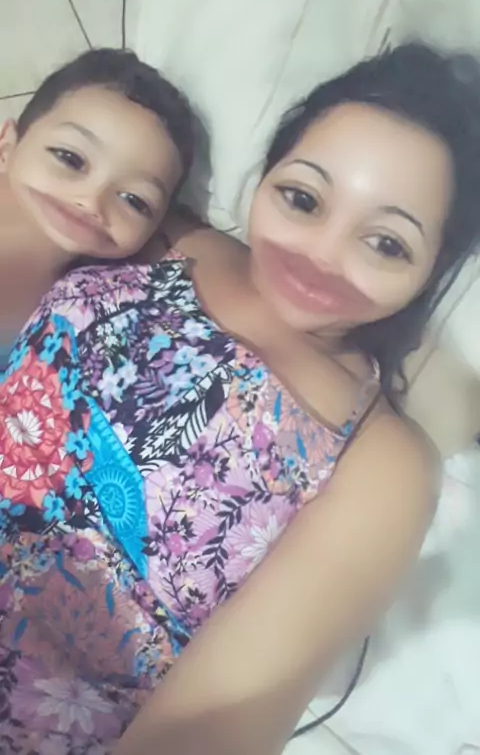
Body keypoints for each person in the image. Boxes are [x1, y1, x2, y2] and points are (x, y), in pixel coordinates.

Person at [1, 43, 479, 755]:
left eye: (386, 243)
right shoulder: (153, 226)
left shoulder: (386, 466)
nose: (321, 253)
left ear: (433, 267)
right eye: (303, 199)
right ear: (266, 178)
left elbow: (218, 724)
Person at [0, 48, 194, 367]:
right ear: (6, 146)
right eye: (70, 159)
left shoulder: (88, 309)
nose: (92, 201)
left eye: (134, 200)